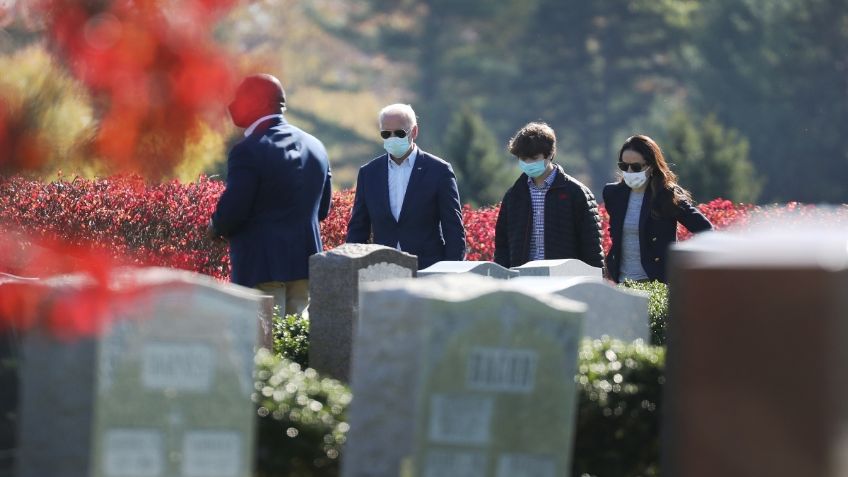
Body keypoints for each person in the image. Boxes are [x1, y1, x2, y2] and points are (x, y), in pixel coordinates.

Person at [207, 73, 332, 315]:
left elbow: (235, 208)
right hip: (305, 265)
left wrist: (216, 226)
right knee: (296, 343)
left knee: (264, 343)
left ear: (260, 103)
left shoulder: (248, 149)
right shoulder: (317, 146)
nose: (234, 105)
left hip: (260, 265)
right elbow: (323, 209)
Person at [346, 103, 465, 269]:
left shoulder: (439, 171)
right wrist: (351, 267)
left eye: (399, 133)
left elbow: (453, 228)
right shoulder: (369, 173)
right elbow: (358, 228)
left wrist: (451, 271)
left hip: (428, 270)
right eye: (386, 133)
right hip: (381, 270)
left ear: (414, 132)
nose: (392, 138)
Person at [603, 134, 712, 283]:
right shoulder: (613, 193)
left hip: (657, 283)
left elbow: (705, 229)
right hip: (621, 281)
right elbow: (615, 232)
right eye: (623, 166)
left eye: (636, 167)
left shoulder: (667, 195)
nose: (629, 171)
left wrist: (685, 264)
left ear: (651, 166)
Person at [494, 122, 604, 269]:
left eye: (533, 158)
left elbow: (591, 248)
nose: (528, 163)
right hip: (522, 278)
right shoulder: (514, 196)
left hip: (565, 278)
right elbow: (502, 246)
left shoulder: (576, 193)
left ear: (550, 154)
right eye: (523, 158)